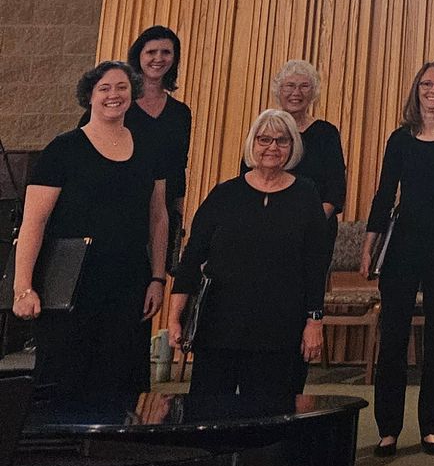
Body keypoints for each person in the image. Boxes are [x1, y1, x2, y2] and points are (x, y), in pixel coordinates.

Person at [14, 61, 168, 398]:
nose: (114, 95)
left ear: (133, 93)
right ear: (90, 96)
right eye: (105, 88)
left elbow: (158, 217)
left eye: (122, 87)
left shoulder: (150, 148)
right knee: (65, 380)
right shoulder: (63, 149)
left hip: (128, 281)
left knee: (122, 379)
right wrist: (23, 287)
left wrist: (157, 278)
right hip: (72, 281)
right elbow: (34, 221)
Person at [361, 61, 434, 457]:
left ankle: (431, 427)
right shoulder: (400, 138)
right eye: (427, 84)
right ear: (416, 90)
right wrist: (369, 245)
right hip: (403, 244)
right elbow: (384, 194)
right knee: (393, 338)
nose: (433, 90)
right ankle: (388, 429)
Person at [169, 109, 331, 396]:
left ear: (292, 146)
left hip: (281, 330)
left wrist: (314, 321)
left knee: (272, 413)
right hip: (220, 327)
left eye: (282, 140)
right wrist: (174, 317)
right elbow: (192, 257)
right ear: (251, 143)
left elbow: (315, 265)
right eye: (264, 139)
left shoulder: (306, 195)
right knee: (210, 411)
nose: (272, 147)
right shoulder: (224, 194)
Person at [79, 27, 190, 266]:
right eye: (151, 52)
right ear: (138, 55)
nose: (158, 58)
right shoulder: (115, 105)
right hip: (113, 211)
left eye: (166, 52)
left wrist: (180, 219)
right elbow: (83, 152)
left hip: (160, 216)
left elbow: (179, 168)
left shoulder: (180, 113)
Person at [240, 60, 348, 227]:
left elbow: (335, 189)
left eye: (304, 86)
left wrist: (311, 224)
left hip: (314, 227)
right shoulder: (262, 130)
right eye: (290, 86)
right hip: (264, 225)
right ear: (278, 91)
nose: (296, 92)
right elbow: (247, 176)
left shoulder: (327, 133)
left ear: (313, 93)